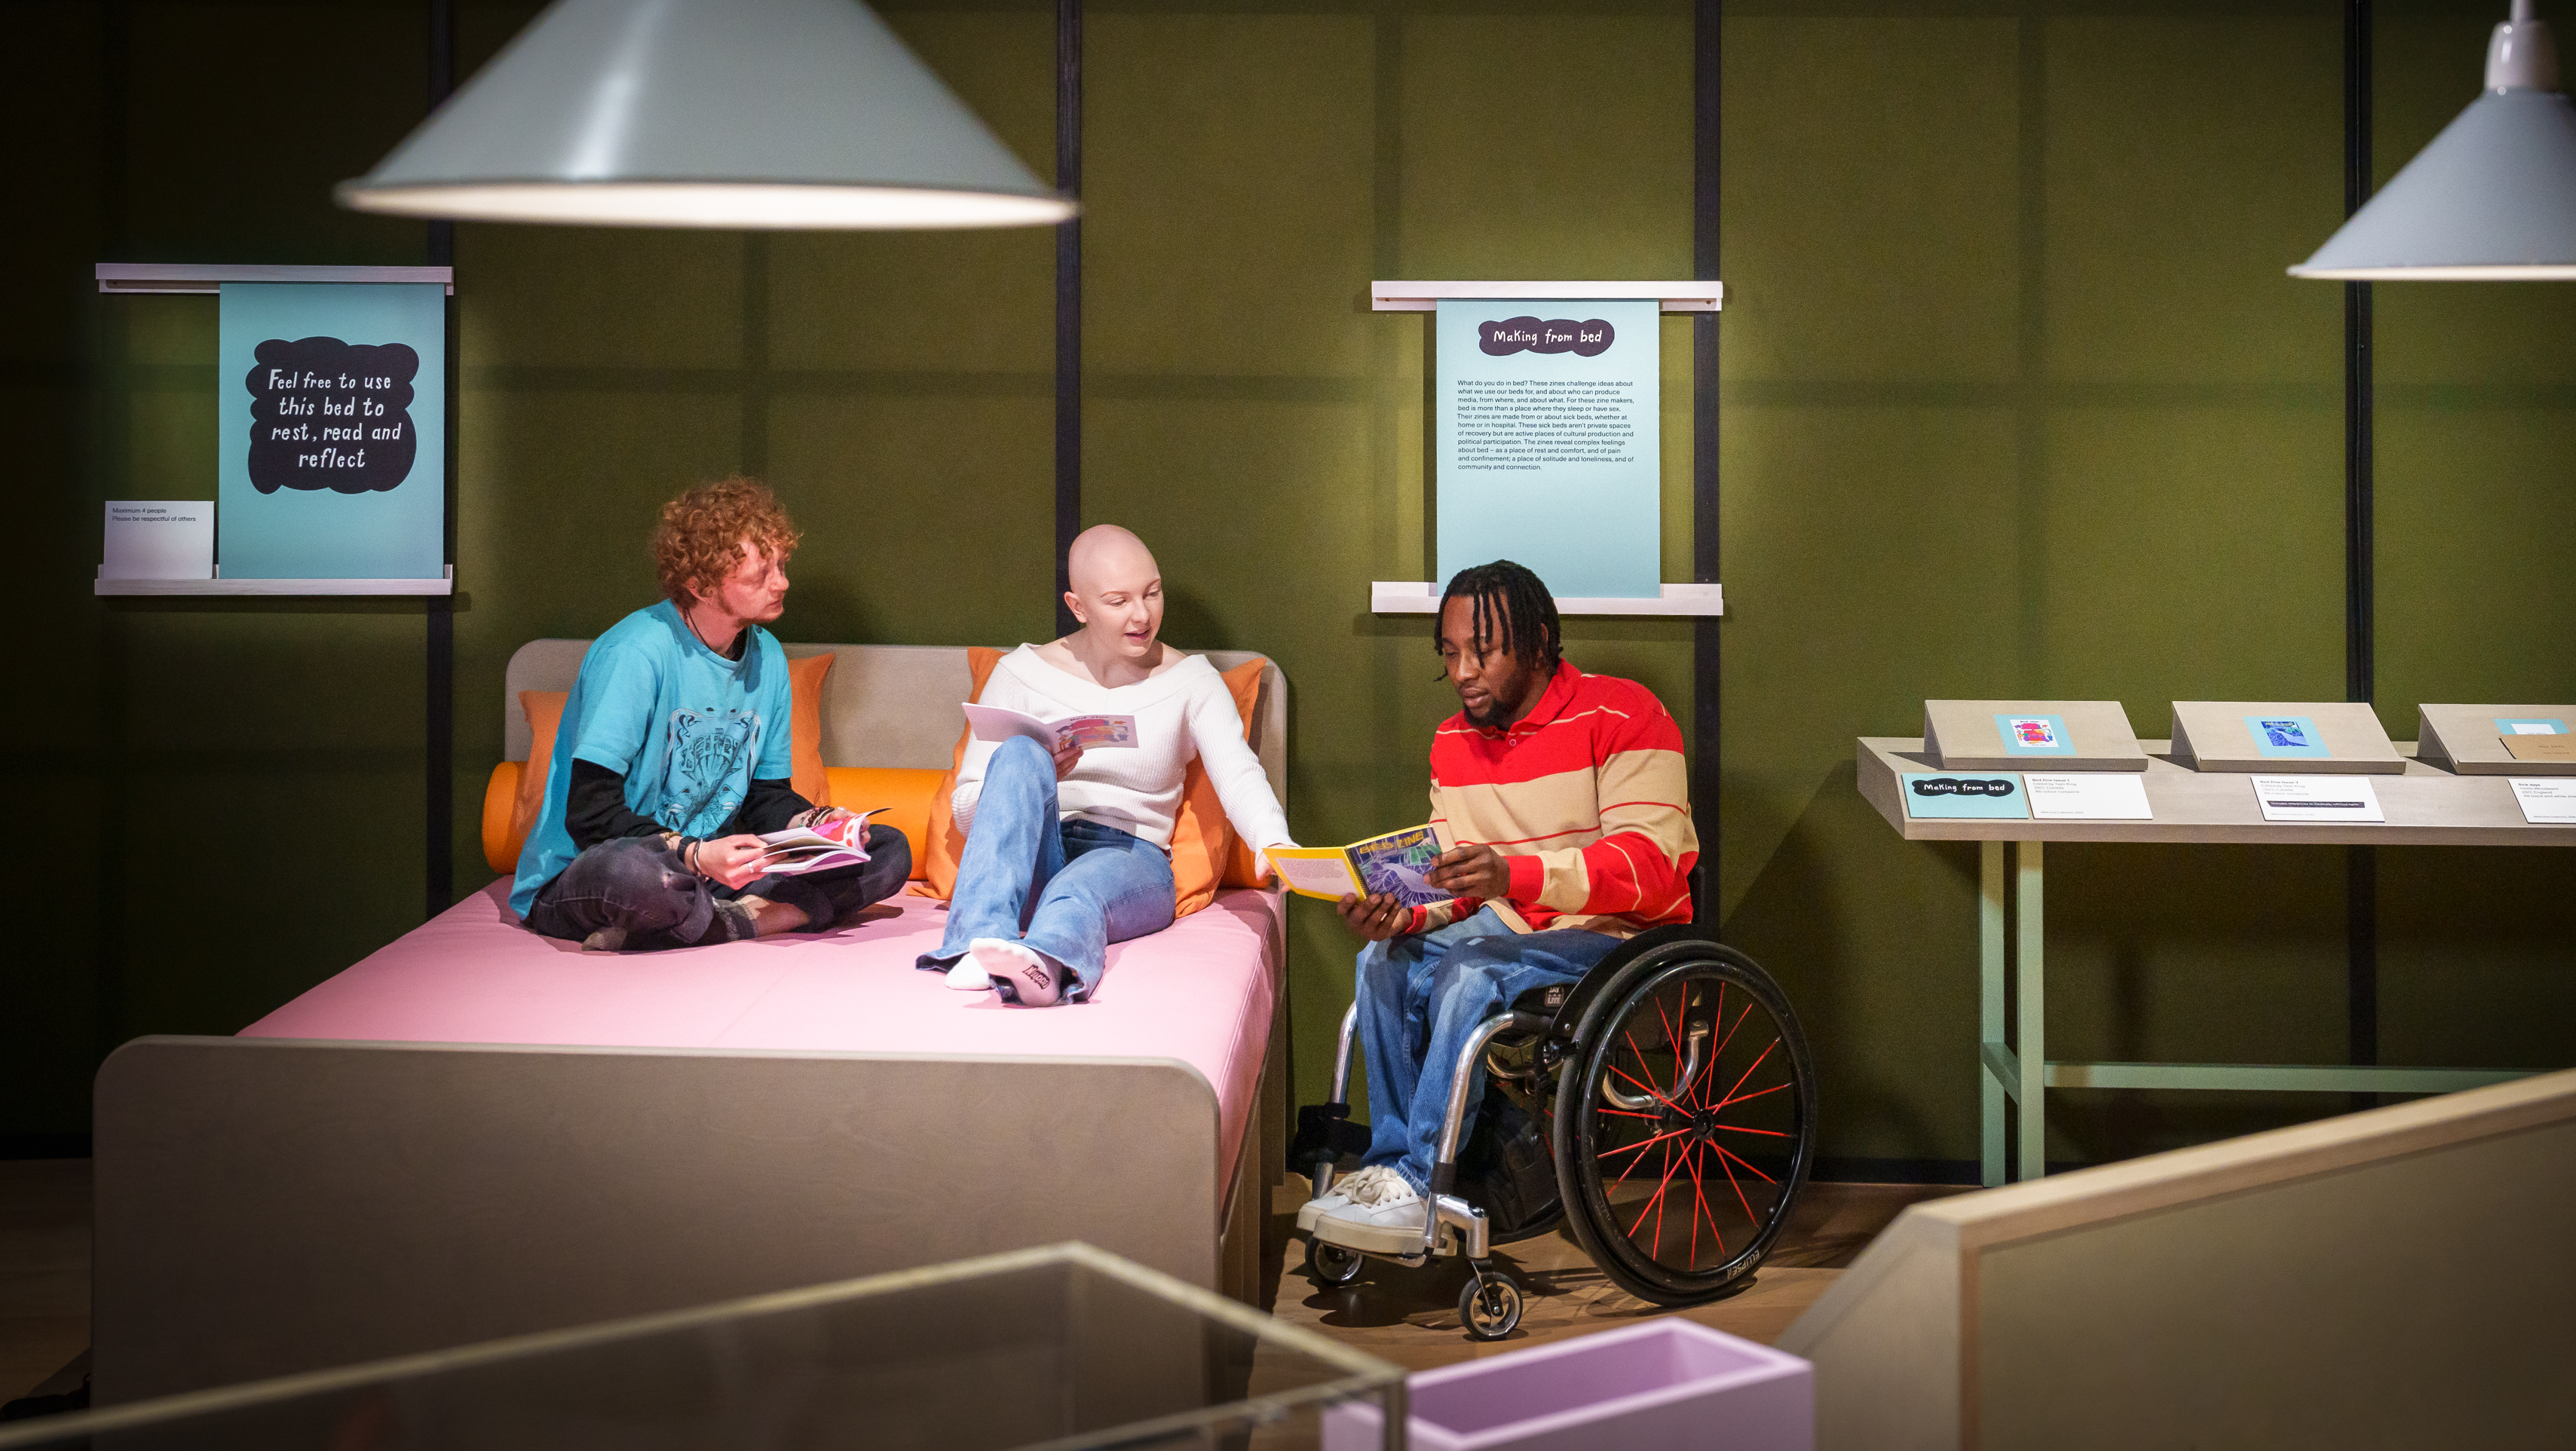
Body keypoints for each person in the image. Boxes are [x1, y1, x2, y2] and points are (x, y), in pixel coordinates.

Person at [1296, 560, 1698, 1253]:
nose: (1462, 671)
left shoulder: (1626, 712)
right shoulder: (1453, 742)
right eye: (1450, 653)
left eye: (1482, 651)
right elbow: (1459, 887)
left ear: (1538, 643)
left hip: (1617, 938)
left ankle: (1424, 1182)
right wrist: (1404, 914)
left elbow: (1651, 868)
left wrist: (1516, 873)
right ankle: (1393, 1170)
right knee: (1381, 959)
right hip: (1506, 928)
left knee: (1471, 972)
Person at [513, 479, 911, 950]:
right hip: (599, 868)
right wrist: (697, 855)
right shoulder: (636, 653)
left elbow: (766, 797)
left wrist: (819, 825)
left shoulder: (768, 657)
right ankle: (750, 918)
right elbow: (589, 813)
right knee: (638, 876)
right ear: (699, 585)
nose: (782, 583)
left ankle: (709, 924)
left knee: (886, 849)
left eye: (781, 565)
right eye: (760, 574)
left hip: (713, 866)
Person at [921, 525, 1294, 1006]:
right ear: (1078, 606)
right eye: (1119, 601)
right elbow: (966, 813)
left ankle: (1047, 967)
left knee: (1079, 888)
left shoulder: (1192, 681)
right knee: (1019, 754)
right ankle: (975, 943)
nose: (1143, 615)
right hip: (1041, 846)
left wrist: (1273, 841)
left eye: (1153, 593)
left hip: (1132, 860)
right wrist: (1039, 779)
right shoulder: (1019, 673)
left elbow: (1238, 772)